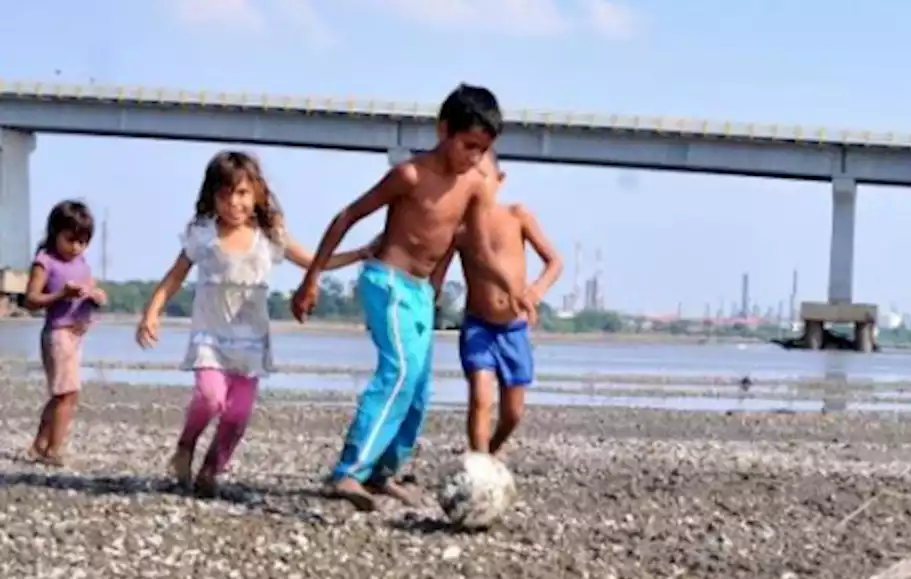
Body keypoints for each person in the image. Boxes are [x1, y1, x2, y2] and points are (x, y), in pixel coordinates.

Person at [291, 83, 532, 512]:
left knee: (419, 389)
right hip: (386, 281)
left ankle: (384, 472)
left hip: (420, 294)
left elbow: (478, 248)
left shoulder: (473, 186)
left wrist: (512, 287)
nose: (473, 158)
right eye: (467, 146)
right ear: (444, 130)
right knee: (398, 371)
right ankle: (348, 472)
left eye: (482, 150)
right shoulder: (411, 175)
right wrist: (311, 279)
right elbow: (347, 216)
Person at [137, 150, 370, 497]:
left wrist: (361, 252)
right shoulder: (203, 234)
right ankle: (185, 446)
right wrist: (152, 312)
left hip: (250, 341)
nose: (234, 203)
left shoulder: (269, 235)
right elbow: (174, 277)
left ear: (257, 193)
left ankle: (210, 471)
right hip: (210, 336)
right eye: (225, 194)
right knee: (210, 398)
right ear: (212, 196)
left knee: (237, 415)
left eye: (242, 193)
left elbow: (313, 261)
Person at [434, 150, 562, 456]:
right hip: (478, 325)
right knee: (480, 398)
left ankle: (493, 449)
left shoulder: (517, 216)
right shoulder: (460, 229)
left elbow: (554, 261)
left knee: (512, 413)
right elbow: (437, 275)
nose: (475, 184)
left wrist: (534, 292)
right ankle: (479, 462)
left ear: (499, 180)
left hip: (514, 328)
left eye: (483, 177)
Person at [25, 200, 107, 466]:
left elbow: (91, 289)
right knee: (66, 394)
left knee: (64, 393)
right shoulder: (45, 262)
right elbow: (30, 300)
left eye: (82, 242)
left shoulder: (81, 262)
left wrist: (95, 297)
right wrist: (62, 294)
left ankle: (41, 444)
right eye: (70, 240)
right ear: (55, 233)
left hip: (76, 334)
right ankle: (53, 449)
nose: (76, 247)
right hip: (58, 334)